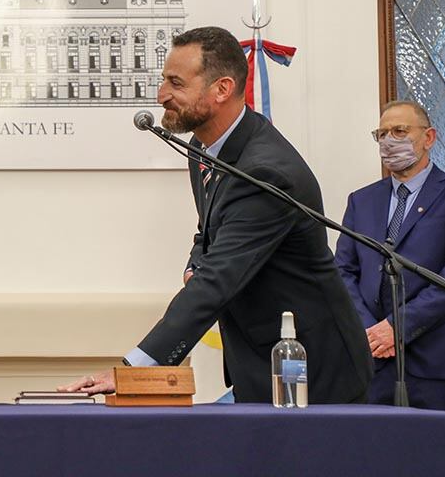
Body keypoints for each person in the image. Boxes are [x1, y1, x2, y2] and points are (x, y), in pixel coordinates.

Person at [60, 26, 372, 403]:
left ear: (221, 89)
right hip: (257, 357)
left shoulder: (265, 172)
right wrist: (197, 260)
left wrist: (137, 368)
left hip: (311, 367)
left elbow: (218, 281)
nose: (162, 96)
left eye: (176, 83)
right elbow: (208, 232)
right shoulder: (203, 147)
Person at [335, 101, 445, 413]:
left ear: (428, 138)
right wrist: (372, 332)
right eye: (382, 134)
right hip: (375, 364)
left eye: (400, 131)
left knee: (444, 459)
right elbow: (342, 272)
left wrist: (397, 327)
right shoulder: (361, 201)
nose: (389, 140)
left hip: (442, 369)